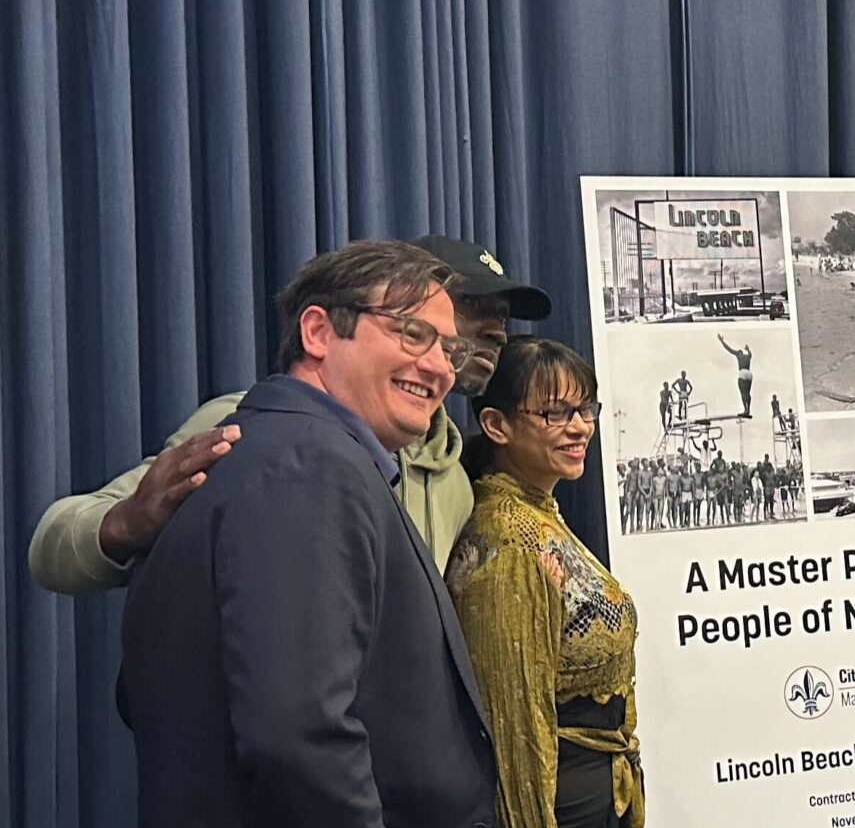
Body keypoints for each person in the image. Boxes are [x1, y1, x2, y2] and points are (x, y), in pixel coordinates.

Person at [117, 241, 497, 828]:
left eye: (448, 347)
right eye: (412, 334)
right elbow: (296, 730)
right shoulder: (309, 465)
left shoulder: (275, 452)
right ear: (320, 331)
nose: (438, 365)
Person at [28, 234, 551, 586]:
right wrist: (126, 523)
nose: (493, 329)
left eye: (502, 316)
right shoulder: (250, 427)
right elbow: (53, 543)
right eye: (472, 308)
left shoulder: (455, 481)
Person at [446, 338, 643, 828]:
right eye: (555, 411)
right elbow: (512, 732)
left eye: (585, 408)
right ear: (497, 425)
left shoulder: (542, 514)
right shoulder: (506, 544)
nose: (579, 425)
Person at [718, 334, 754, 417]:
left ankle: (745, 409)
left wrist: (722, 341)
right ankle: (748, 409)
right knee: (747, 393)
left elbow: (729, 349)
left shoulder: (738, 354)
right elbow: (750, 354)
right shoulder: (747, 356)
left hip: (743, 373)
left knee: (743, 393)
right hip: (750, 373)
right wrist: (748, 350)